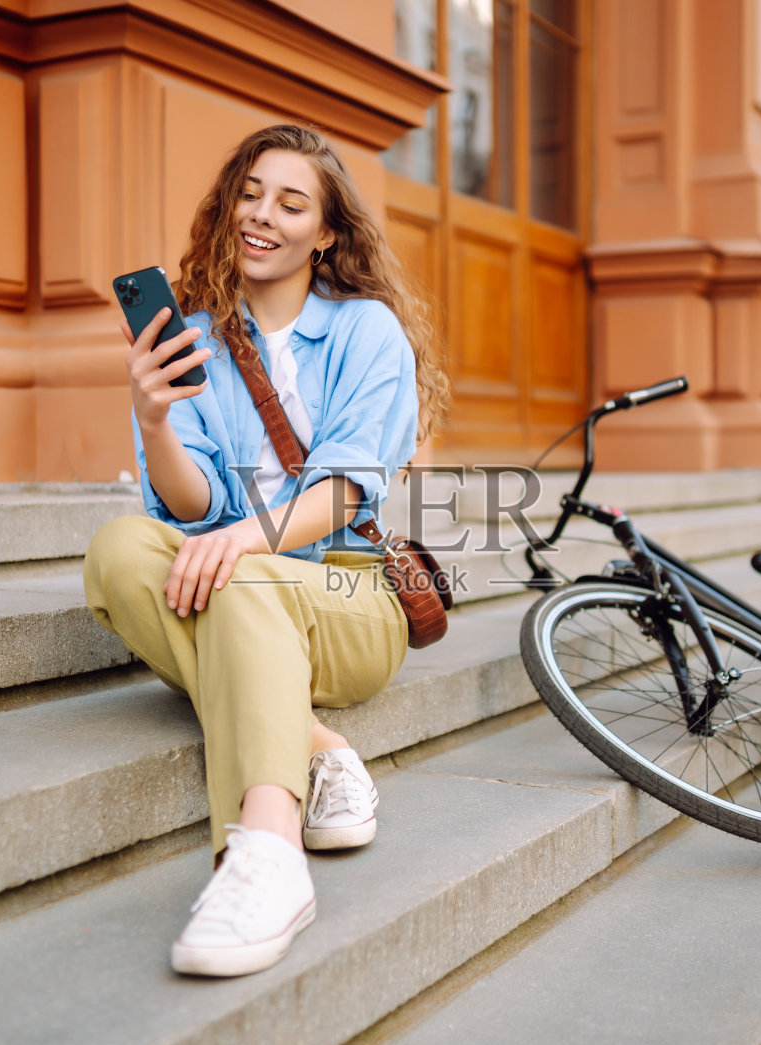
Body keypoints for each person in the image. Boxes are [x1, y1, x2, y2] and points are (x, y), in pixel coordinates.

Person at [82, 125, 449, 978]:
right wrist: (154, 419)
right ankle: (315, 740)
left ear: (326, 233)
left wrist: (244, 539)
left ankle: (267, 851)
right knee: (118, 550)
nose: (261, 215)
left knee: (236, 572)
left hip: (348, 602)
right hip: (243, 587)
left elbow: (348, 490)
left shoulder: (367, 332)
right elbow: (193, 504)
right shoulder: (199, 338)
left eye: (291, 203)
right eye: (249, 193)